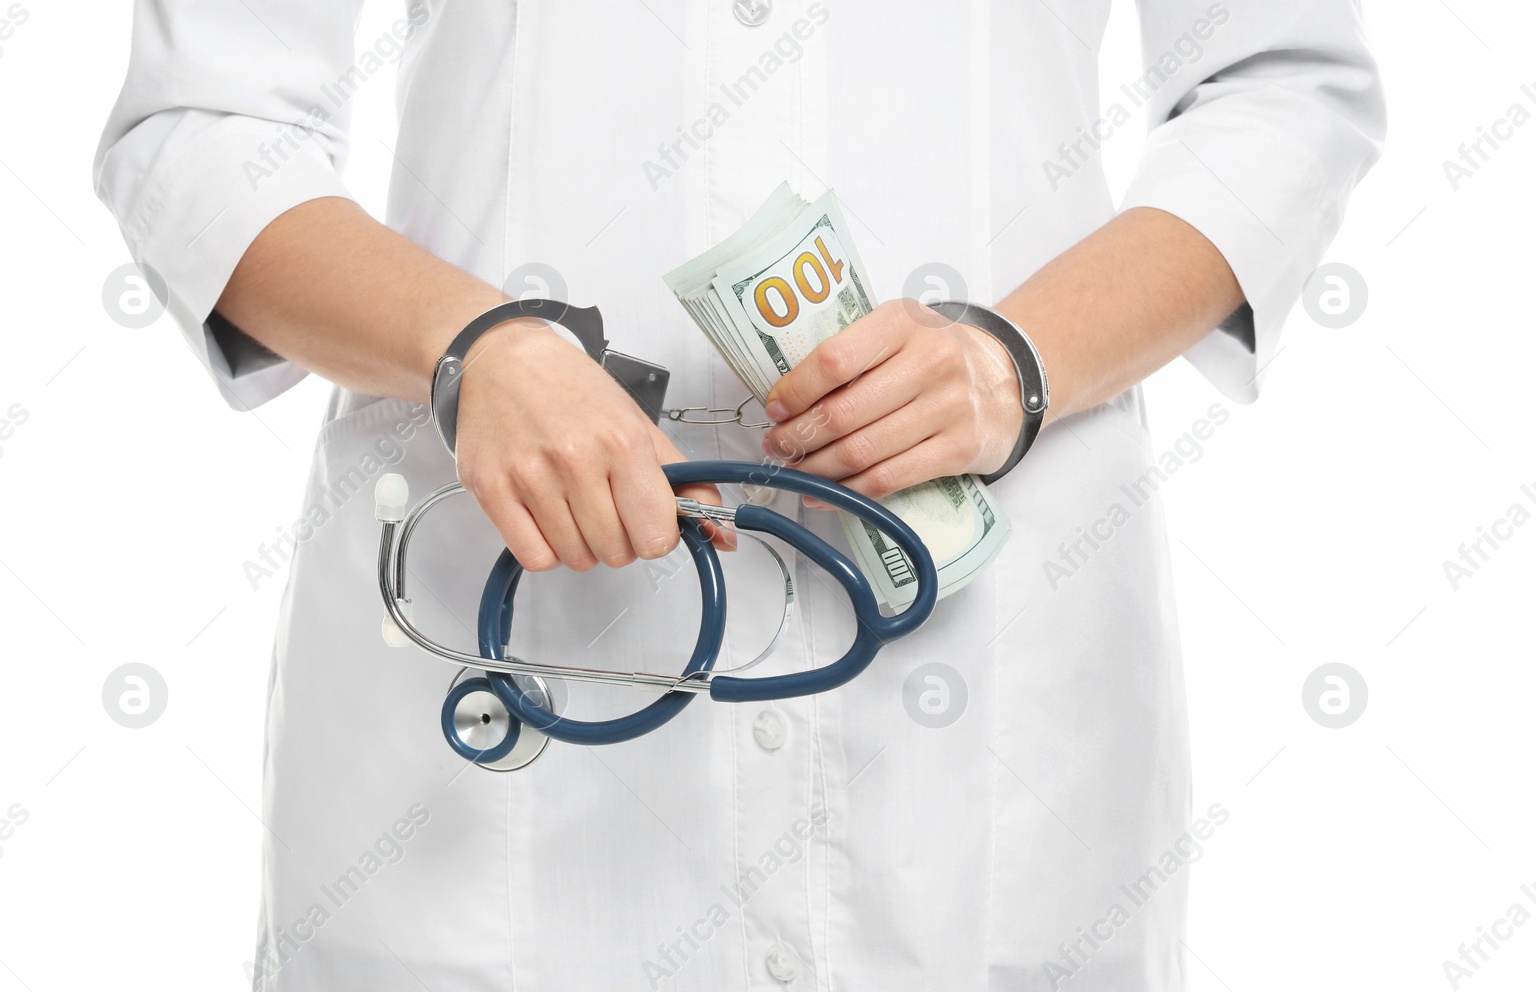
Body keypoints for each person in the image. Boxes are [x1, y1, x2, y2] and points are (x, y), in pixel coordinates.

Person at [94, 1, 1383, 988]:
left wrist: (1020, 358)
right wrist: (465, 344)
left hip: (984, 682)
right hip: (504, 671)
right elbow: (207, 120)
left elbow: (1281, 86)